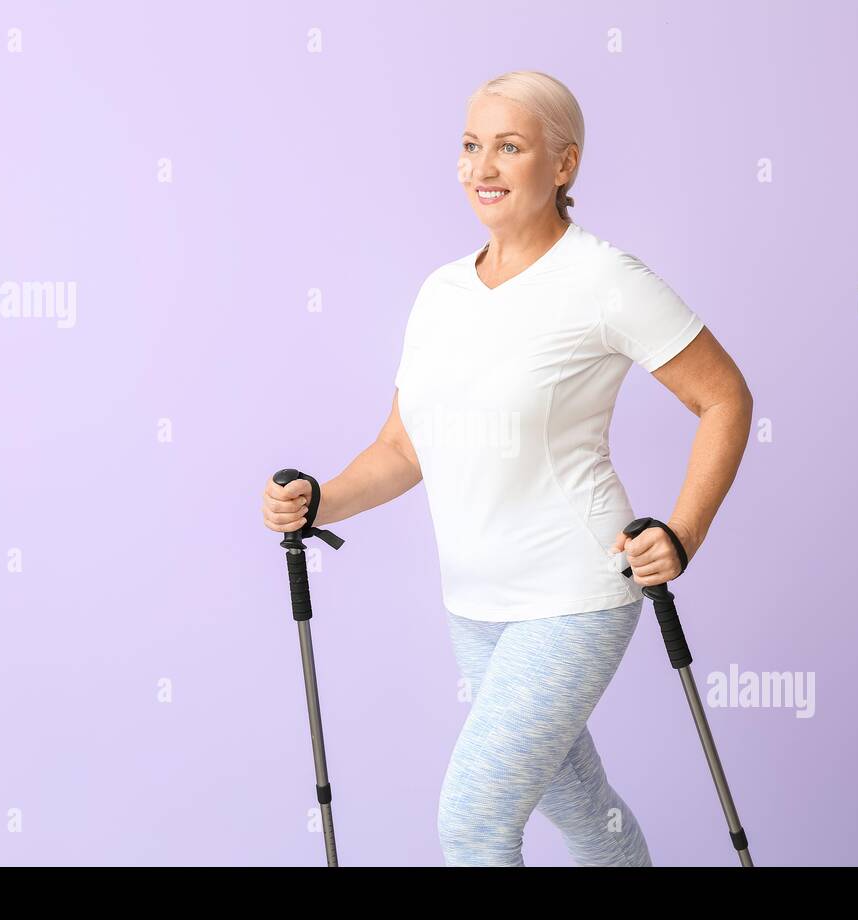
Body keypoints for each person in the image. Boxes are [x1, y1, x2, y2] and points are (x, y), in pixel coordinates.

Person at [262, 70, 753, 866]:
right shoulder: (441, 293)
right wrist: (320, 501)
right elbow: (401, 448)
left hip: (575, 592)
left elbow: (725, 398)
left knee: (474, 819)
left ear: (564, 166)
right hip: (476, 607)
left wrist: (683, 530)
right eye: (470, 146)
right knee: (587, 813)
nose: (481, 168)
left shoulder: (603, 280)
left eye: (509, 147)